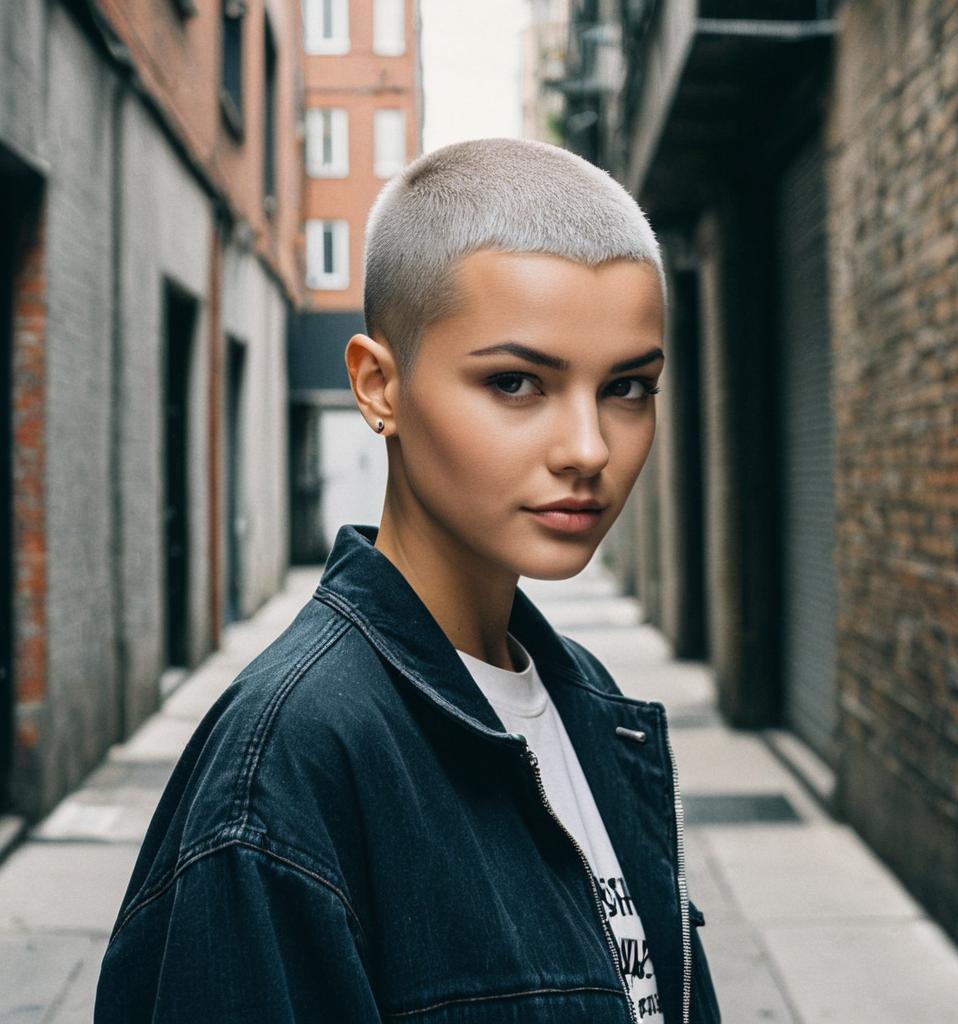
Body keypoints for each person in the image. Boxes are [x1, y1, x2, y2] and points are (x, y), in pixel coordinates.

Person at [94, 136, 720, 1023]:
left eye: (627, 387)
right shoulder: (286, 774)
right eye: (516, 382)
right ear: (377, 385)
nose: (589, 449)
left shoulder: (585, 700)